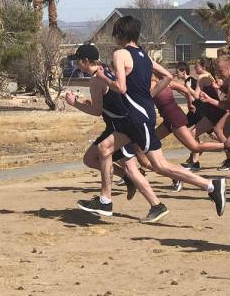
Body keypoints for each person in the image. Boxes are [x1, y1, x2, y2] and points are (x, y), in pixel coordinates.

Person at [94, 15, 227, 218]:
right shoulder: (143, 55)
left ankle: (210, 185)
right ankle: (105, 200)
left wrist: (104, 78)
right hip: (136, 116)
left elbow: (120, 87)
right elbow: (168, 76)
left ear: (120, 33)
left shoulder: (120, 54)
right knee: (104, 148)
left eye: (115, 33)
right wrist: (150, 95)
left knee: (160, 165)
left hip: (138, 118)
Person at [64, 44, 168, 223]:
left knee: (132, 169)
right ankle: (144, 196)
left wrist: (75, 104)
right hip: (116, 125)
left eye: (77, 61)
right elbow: (108, 102)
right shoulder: (105, 71)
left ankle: (154, 204)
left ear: (85, 61)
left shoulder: (96, 79)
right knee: (91, 159)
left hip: (121, 127)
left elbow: (97, 111)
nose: (76, 66)